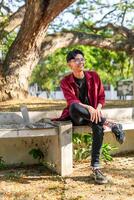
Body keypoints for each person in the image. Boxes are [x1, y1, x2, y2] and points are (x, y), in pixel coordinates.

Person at [55, 49, 125, 184]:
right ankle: (111, 124)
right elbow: (72, 101)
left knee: (98, 126)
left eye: (82, 59)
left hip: (94, 116)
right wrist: (89, 108)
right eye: (77, 60)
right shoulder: (65, 81)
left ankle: (96, 168)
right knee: (74, 107)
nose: (80, 62)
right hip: (77, 117)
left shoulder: (94, 76)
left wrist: (97, 109)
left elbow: (101, 97)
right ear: (70, 63)